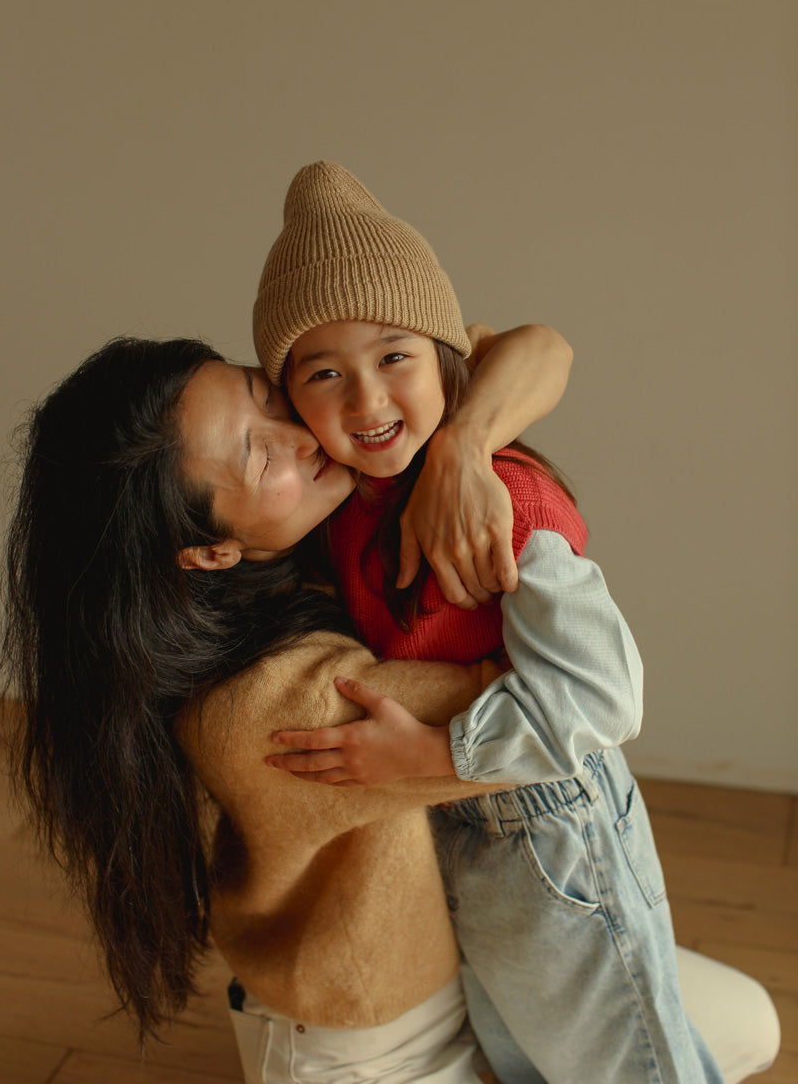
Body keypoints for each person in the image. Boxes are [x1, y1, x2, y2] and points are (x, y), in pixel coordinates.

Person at [0, 325, 578, 1083]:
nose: (303, 435)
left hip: (463, 982)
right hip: (366, 1050)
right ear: (211, 552)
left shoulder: (308, 530)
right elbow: (564, 703)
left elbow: (539, 347)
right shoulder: (274, 704)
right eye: (259, 455)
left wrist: (462, 445)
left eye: (268, 397)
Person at [251, 161, 725, 1084]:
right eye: (324, 373)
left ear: (445, 359)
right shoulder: (343, 503)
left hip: (550, 830)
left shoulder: (504, 501)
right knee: (529, 1061)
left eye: (395, 357)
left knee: (630, 1067)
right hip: (456, 826)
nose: (366, 400)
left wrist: (433, 753)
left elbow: (604, 697)